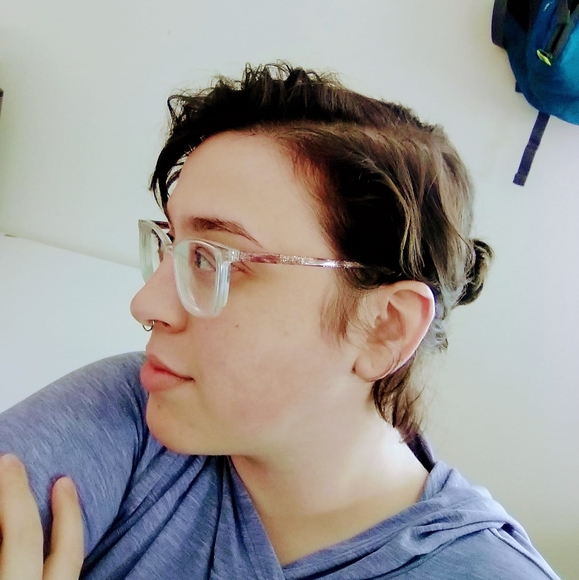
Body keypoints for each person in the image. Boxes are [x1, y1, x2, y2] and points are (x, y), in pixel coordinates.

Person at [0, 63, 559, 579]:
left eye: (213, 258)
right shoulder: (136, 410)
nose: (146, 304)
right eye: (172, 245)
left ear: (385, 326)